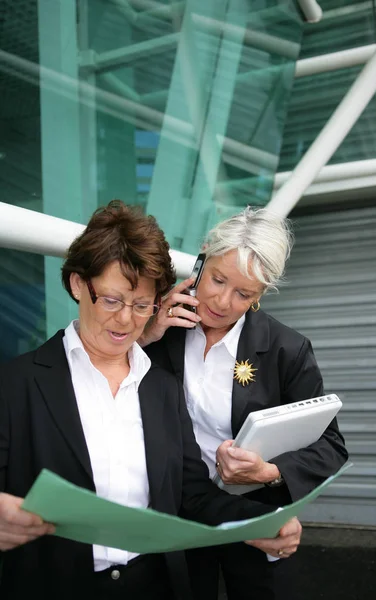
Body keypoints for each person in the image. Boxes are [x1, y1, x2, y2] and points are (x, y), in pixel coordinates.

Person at [0, 201, 302, 600]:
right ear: (76, 284)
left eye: (142, 305)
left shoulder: (159, 387)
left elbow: (192, 494)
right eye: (111, 300)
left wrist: (263, 519)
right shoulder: (15, 382)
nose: (126, 320)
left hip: (156, 586)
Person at [141, 206, 349, 600]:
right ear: (202, 257)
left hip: (254, 513)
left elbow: (332, 447)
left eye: (244, 293)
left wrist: (269, 471)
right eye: (217, 279)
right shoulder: (159, 326)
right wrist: (146, 336)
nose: (222, 301)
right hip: (178, 511)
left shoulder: (287, 348)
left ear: (261, 294)